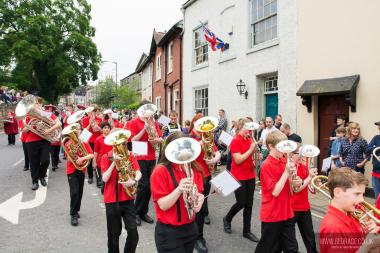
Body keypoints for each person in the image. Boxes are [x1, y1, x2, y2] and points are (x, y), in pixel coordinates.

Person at [150, 132, 205, 253]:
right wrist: (179, 189)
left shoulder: (194, 169)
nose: (183, 154)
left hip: (190, 228)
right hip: (169, 233)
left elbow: (199, 193)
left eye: (186, 149)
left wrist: (199, 201)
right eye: (179, 150)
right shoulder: (160, 171)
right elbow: (163, 205)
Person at [255, 131, 302, 253]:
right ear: (271, 146)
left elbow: (291, 191)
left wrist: (295, 183)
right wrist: (286, 173)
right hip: (272, 214)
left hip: (287, 212)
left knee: (292, 248)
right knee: (268, 249)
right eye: (281, 147)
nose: (285, 150)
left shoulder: (284, 161)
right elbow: (275, 192)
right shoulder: (266, 165)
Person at [319, 167, 380, 253]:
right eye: (357, 194)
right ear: (338, 192)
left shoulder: (350, 213)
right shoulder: (332, 228)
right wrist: (368, 243)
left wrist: (366, 233)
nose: (362, 200)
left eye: (362, 194)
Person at [101, 134, 142, 253]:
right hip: (112, 200)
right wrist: (114, 162)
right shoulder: (106, 157)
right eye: (120, 144)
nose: (123, 146)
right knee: (114, 235)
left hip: (128, 199)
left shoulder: (129, 155)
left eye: (124, 143)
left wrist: (134, 180)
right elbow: (104, 178)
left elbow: (138, 172)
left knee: (133, 233)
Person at [223, 118, 259, 242]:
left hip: (250, 175)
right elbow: (238, 160)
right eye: (246, 129)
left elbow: (254, 160)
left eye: (250, 129)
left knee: (249, 204)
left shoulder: (249, 140)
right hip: (238, 175)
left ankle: (247, 231)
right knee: (241, 202)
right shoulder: (235, 141)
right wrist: (250, 150)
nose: (249, 131)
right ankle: (227, 218)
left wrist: (256, 153)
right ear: (240, 127)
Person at [128, 102, 163, 226]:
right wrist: (144, 128)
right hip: (139, 155)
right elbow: (132, 140)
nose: (148, 113)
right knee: (143, 185)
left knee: (149, 186)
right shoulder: (132, 123)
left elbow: (160, 138)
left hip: (152, 156)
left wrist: (158, 139)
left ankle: (143, 212)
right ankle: (136, 212)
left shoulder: (154, 122)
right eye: (146, 109)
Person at [191, 121, 221, 253]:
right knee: (198, 208)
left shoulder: (208, 138)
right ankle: (196, 238)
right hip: (196, 177)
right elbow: (189, 152)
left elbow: (217, 152)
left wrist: (215, 159)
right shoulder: (191, 138)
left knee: (202, 209)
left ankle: (199, 235)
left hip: (207, 175)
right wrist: (200, 144)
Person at [24, 96, 61, 190]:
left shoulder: (47, 113)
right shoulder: (28, 115)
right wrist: (29, 126)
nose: (36, 105)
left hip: (45, 140)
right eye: (34, 103)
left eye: (38, 103)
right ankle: (35, 181)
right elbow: (23, 131)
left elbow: (58, 123)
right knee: (33, 162)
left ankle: (42, 176)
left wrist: (49, 129)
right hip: (31, 141)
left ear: (41, 104)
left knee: (46, 160)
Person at [63, 124, 94, 226]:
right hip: (71, 170)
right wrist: (74, 153)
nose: (77, 131)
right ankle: (73, 214)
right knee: (74, 192)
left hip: (81, 170)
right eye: (75, 130)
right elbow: (68, 158)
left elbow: (91, 154)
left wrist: (82, 159)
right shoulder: (67, 143)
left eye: (79, 129)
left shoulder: (84, 142)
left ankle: (76, 209)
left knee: (80, 191)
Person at [291, 146, 318, 253]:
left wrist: (315, 182)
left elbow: (311, 188)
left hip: (304, 206)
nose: (303, 155)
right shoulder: (292, 168)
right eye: (300, 153)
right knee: (289, 240)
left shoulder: (304, 166)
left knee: (310, 237)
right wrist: (309, 178)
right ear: (292, 155)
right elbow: (296, 189)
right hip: (292, 207)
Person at [81, 106, 102, 184]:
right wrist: (90, 123)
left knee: (97, 159)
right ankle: (90, 176)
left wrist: (97, 126)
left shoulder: (99, 119)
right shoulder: (85, 119)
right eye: (91, 111)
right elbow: (84, 131)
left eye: (94, 111)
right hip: (89, 141)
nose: (92, 113)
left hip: (97, 141)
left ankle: (98, 179)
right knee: (90, 159)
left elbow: (99, 131)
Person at [94, 122, 113, 189]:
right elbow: (96, 152)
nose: (107, 129)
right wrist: (94, 162)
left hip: (111, 160)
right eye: (105, 128)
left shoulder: (112, 138)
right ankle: (103, 189)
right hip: (101, 161)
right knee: (103, 177)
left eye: (108, 128)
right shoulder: (98, 139)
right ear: (102, 129)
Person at [367, 121, 380, 199]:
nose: (378, 127)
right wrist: (377, 148)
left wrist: (376, 148)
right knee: (377, 197)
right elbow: (368, 150)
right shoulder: (376, 138)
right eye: (378, 126)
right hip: (376, 173)